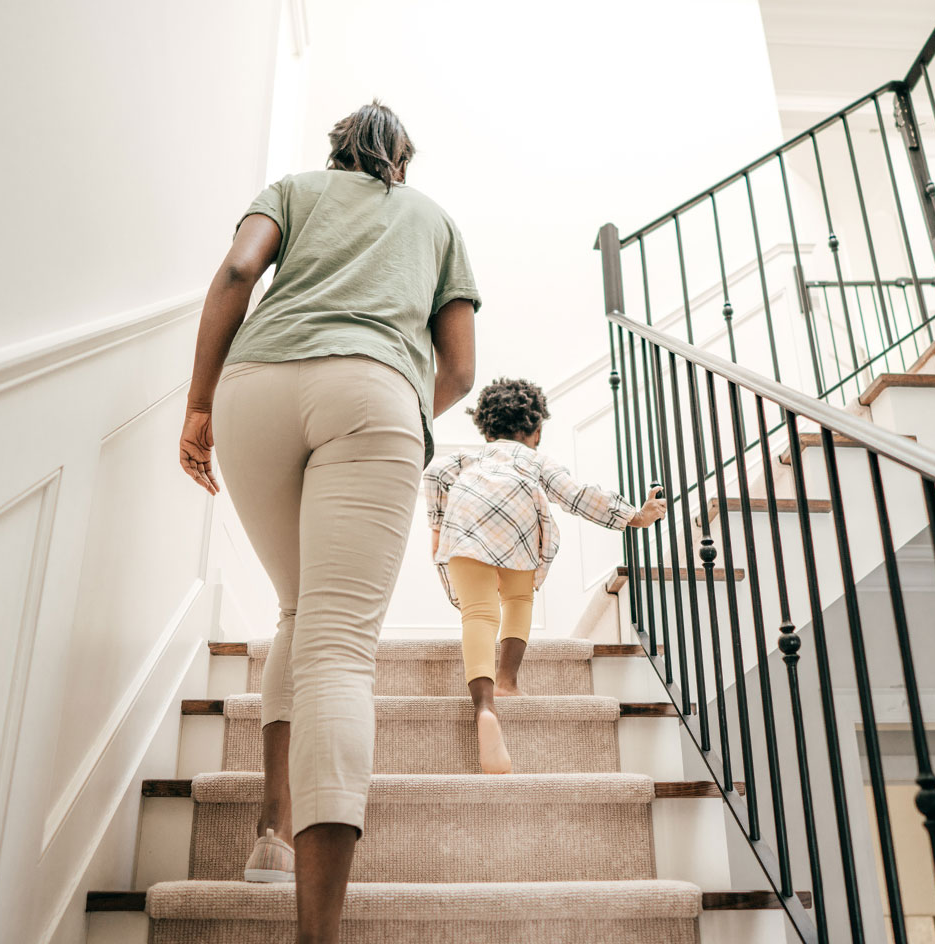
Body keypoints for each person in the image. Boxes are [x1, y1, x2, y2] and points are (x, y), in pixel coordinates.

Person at [178, 101, 479, 944]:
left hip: (256, 389)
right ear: (401, 161)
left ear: (337, 151)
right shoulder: (434, 221)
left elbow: (238, 273)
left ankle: (271, 836)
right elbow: (459, 367)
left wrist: (199, 404)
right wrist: (396, 402)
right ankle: (318, 934)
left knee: (299, 615)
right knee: (340, 650)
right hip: (372, 393)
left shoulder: (291, 190)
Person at [423, 379, 665, 774]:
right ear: (537, 431)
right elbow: (576, 494)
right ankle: (507, 682)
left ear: (485, 428)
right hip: (516, 528)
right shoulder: (535, 460)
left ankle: (485, 707)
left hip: (464, 531)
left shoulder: (465, 461)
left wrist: (437, 530)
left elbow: (435, 475)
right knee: (518, 601)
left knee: (479, 616)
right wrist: (634, 516)